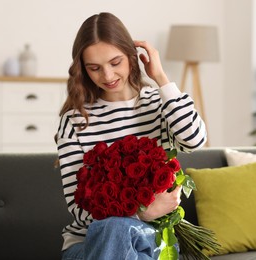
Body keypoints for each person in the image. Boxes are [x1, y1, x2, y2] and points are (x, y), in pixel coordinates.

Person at [56, 12, 207, 260]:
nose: (107, 76)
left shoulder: (160, 104)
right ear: (83, 69)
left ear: (132, 57)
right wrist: (141, 214)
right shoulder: (74, 121)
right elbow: (79, 209)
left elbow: (195, 140)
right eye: (95, 68)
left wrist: (161, 77)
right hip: (89, 245)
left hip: (153, 241)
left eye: (115, 63)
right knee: (116, 229)